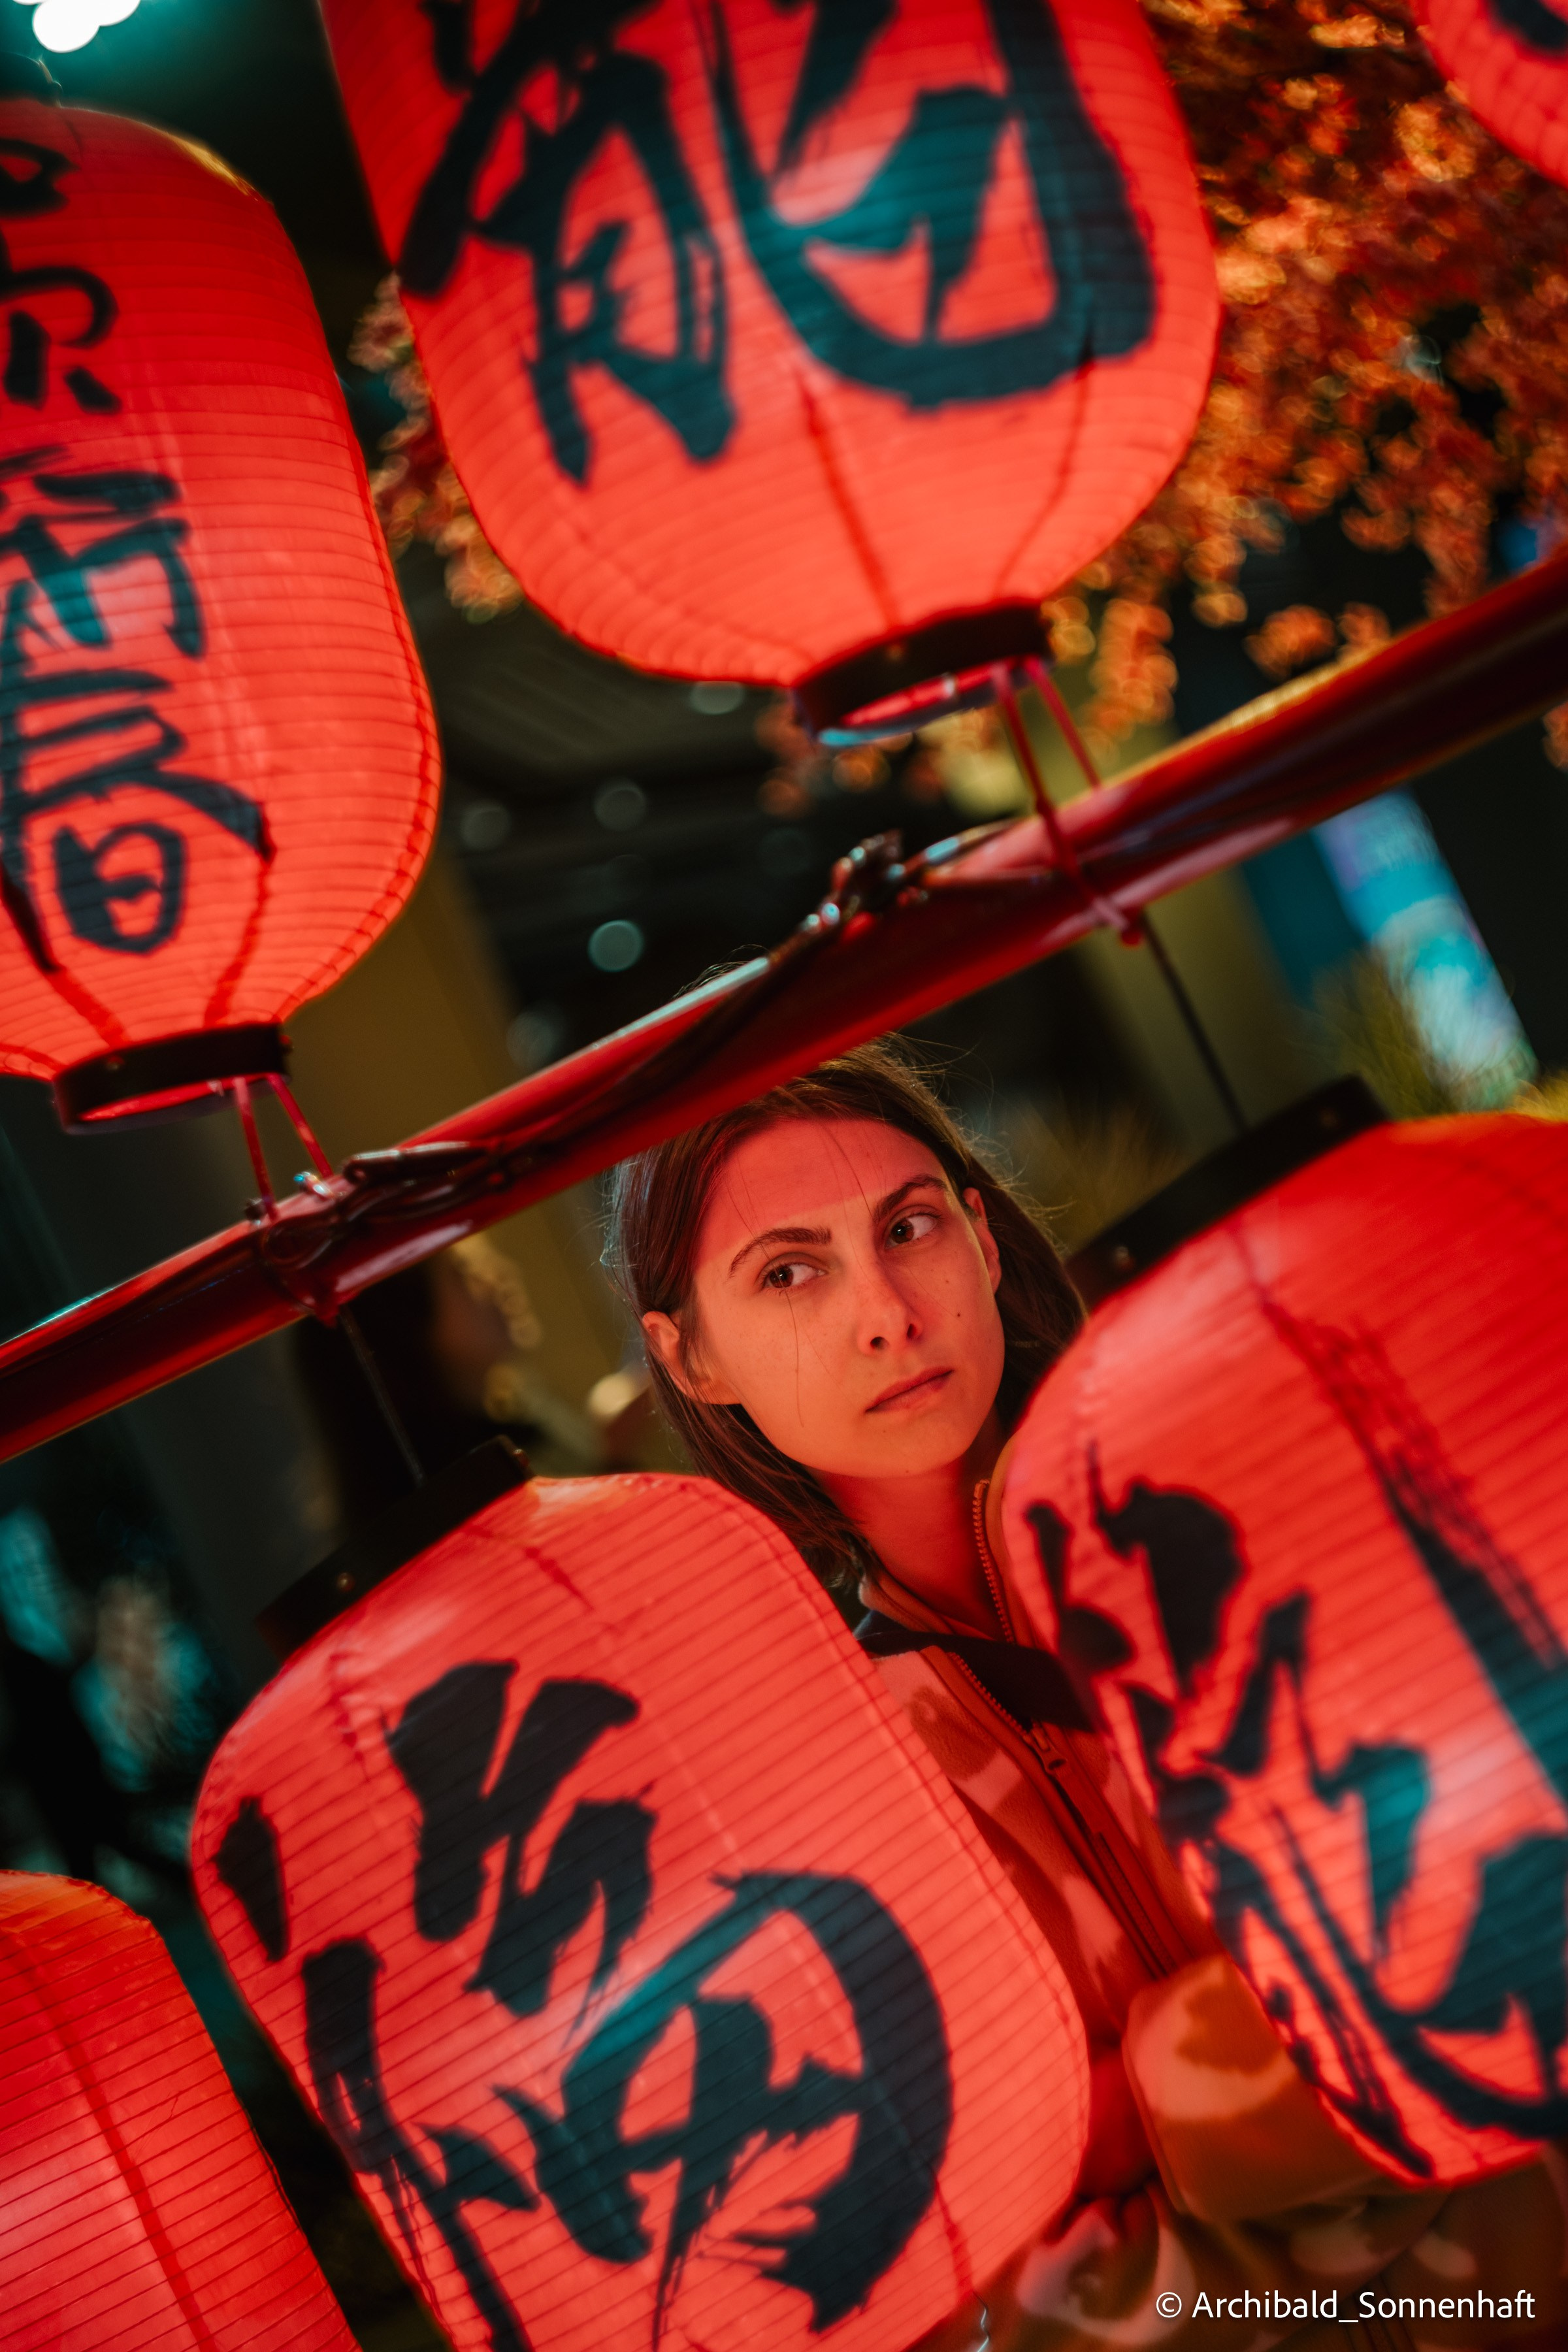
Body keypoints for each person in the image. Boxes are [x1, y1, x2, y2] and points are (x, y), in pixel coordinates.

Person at [606, 1039, 1564, 2351]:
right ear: (690, 1358)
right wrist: (1287, 2058)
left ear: (985, 1242)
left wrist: (1129, 2108)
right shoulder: (802, 1781)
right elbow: (982, 2268)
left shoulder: (1257, 1507)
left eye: (908, 1226)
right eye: (788, 1271)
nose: (887, 1309)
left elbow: (1517, 1932)